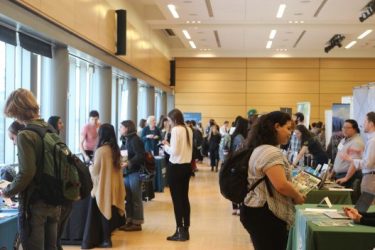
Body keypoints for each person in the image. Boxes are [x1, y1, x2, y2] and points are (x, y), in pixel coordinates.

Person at [1, 88, 61, 249]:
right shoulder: (49, 129)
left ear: (18, 111)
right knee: (51, 246)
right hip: (54, 200)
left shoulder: (25, 135)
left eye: (13, 114)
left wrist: (7, 191)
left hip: (34, 204)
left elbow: (27, 172)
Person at [240, 111, 305, 250]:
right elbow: (281, 185)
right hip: (266, 214)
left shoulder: (260, 149)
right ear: (276, 126)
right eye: (288, 128)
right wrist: (297, 196)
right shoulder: (271, 152)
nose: (290, 133)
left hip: (256, 211)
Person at [81, 124, 125, 249]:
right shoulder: (115, 149)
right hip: (114, 186)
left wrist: (89, 165)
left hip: (104, 187)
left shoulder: (101, 150)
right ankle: (107, 239)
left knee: (104, 212)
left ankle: (106, 240)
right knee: (109, 210)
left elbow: (95, 171)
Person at [162, 108, 193, 242]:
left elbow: (173, 152)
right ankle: (185, 229)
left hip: (176, 168)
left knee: (177, 200)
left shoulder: (175, 130)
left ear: (173, 119)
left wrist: (165, 146)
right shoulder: (188, 129)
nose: (168, 123)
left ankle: (179, 230)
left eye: (169, 120)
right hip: (186, 167)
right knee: (184, 199)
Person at [48, 115, 72, 250]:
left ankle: (57, 244)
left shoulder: (57, 141)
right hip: (61, 189)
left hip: (63, 188)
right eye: (60, 123)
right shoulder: (54, 141)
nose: (62, 125)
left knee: (59, 225)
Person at [337, 112, 375, 195]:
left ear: (371, 124)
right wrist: (361, 153)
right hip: (370, 177)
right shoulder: (371, 140)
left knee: (369, 206)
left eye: (365, 122)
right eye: (343, 127)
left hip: (370, 177)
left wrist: (350, 159)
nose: (363, 124)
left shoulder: (372, 141)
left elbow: (368, 164)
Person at [119, 120, 145, 231]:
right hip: (127, 172)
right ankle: (129, 220)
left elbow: (141, 156)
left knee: (136, 198)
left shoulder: (135, 140)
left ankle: (137, 222)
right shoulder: (125, 139)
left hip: (134, 172)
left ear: (127, 128)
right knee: (128, 198)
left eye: (121, 127)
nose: (120, 129)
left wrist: (128, 163)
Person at [331, 120, 364, 189]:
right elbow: (338, 157)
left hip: (349, 177)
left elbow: (355, 163)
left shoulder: (356, 142)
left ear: (355, 129)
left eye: (347, 128)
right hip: (339, 175)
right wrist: (332, 172)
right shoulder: (343, 140)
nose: (344, 130)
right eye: (343, 127)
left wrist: (346, 178)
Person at [229, 116, 248, 215]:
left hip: (232, 165)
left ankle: (234, 207)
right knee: (240, 187)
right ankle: (239, 207)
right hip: (239, 165)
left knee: (234, 186)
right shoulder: (240, 138)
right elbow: (241, 152)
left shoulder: (233, 135)